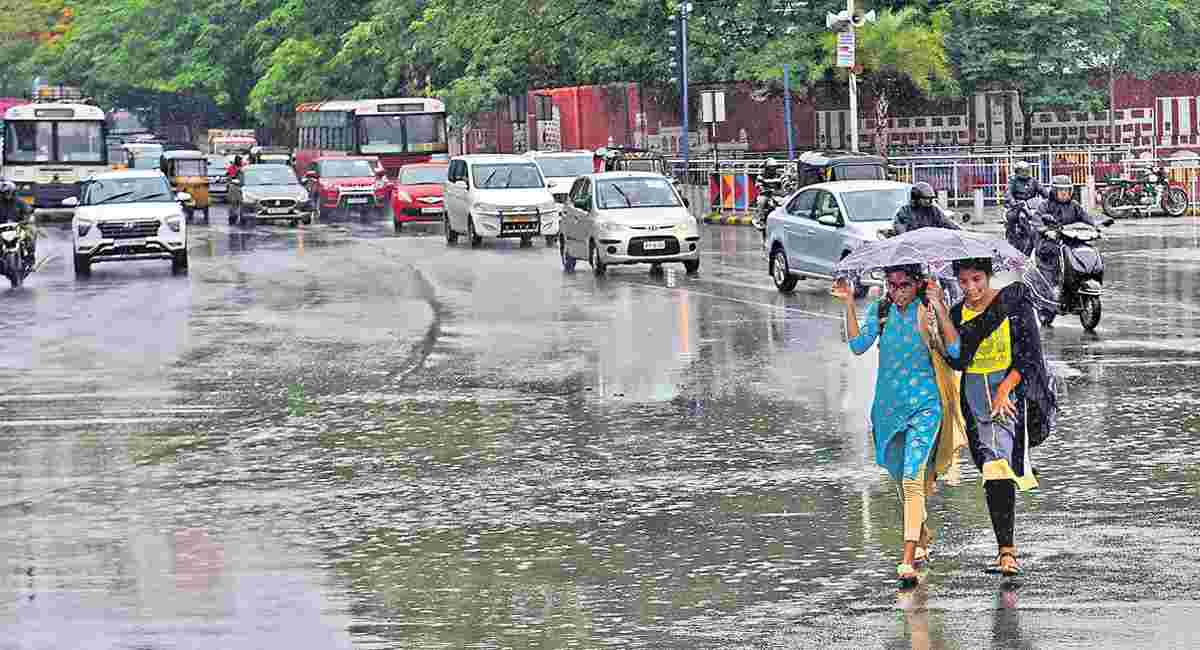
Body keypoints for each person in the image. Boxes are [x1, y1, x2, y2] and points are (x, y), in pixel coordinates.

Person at [833, 264, 965, 587]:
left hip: (925, 407)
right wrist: (849, 303)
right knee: (898, 476)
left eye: (903, 285)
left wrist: (940, 307)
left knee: (911, 478)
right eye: (891, 285)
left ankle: (907, 558)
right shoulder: (881, 310)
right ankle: (920, 534)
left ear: (917, 283)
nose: (897, 291)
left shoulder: (928, 310)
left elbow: (956, 351)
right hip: (888, 410)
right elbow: (858, 345)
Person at [946, 257, 1057, 577]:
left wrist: (1004, 390)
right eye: (964, 282)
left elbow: (1028, 357)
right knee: (990, 469)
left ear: (988, 275)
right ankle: (1004, 551)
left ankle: (1006, 552)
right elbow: (956, 360)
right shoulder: (956, 313)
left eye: (977, 279)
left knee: (998, 468)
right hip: (973, 402)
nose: (971, 288)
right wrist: (939, 311)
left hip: (1008, 399)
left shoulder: (1014, 304)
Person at [1031, 175, 1096, 322]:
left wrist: (1096, 227)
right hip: (1048, 244)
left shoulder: (1074, 205)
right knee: (1049, 276)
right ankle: (1046, 307)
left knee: (1083, 252)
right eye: (1061, 190)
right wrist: (1046, 230)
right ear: (1054, 191)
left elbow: (1087, 218)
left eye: (1067, 190)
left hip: (1070, 242)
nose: (1065, 193)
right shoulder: (1046, 205)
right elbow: (1037, 220)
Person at [893, 182, 960, 233]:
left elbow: (947, 223)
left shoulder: (934, 211)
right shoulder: (905, 211)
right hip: (913, 246)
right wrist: (908, 237)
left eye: (931, 199)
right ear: (916, 198)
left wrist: (962, 233)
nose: (929, 201)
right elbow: (900, 229)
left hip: (932, 245)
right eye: (926, 199)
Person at [0, 180, 35, 269]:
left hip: (19, 226)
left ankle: (30, 255)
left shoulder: (19, 201)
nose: (6, 195)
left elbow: (28, 210)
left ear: (13, 192)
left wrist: (26, 219)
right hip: (2, 227)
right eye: (4, 193)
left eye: (8, 192)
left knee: (31, 232)